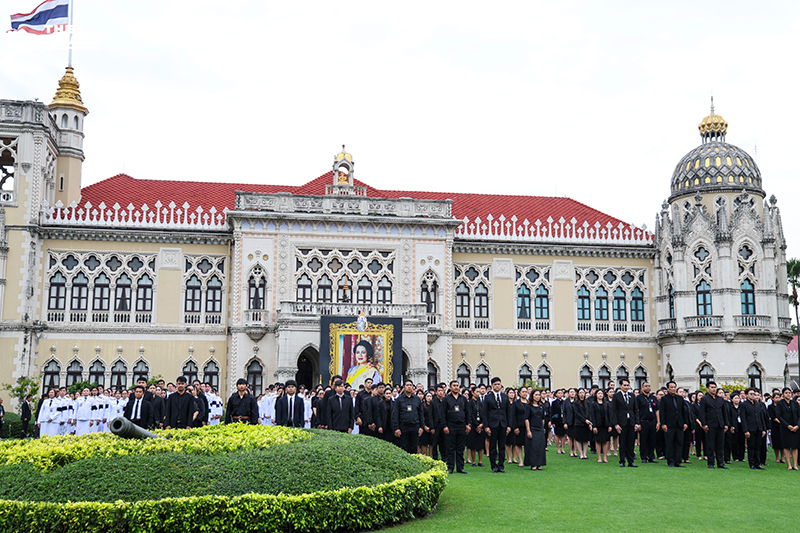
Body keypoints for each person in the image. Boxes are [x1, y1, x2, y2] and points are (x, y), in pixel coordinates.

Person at [482, 377, 514, 473]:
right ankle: (494, 466)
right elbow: (485, 413)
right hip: (492, 424)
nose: (497, 386)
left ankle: (501, 466)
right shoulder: (488, 397)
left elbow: (509, 412)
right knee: (492, 447)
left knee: (502, 446)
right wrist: (486, 426)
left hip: (503, 424)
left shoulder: (505, 397)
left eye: (499, 384)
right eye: (495, 384)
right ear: (492, 386)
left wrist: (509, 426)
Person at [698, 381, 729, 469]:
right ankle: (711, 462)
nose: (713, 389)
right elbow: (702, 413)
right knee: (710, 445)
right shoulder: (704, 399)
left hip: (720, 424)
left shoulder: (720, 399)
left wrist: (726, 424)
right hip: (710, 425)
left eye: (714, 387)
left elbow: (724, 412)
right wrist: (704, 424)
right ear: (707, 389)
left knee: (720, 445)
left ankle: (720, 463)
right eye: (711, 387)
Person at [443, 380, 471, 474]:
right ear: (450, 387)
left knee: (460, 448)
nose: (456, 387)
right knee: (450, 448)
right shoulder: (446, 399)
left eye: (457, 385)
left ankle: (460, 467)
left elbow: (468, 412)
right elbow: (442, 414)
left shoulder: (463, 399)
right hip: (450, 426)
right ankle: (450, 467)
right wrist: (445, 426)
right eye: (454, 385)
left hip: (461, 425)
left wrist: (468, 424)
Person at [611, 378, 639, 467]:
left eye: (628, 385)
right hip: (621, 422)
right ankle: (622, 461)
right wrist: (616, 424)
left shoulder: (632, 396)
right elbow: (614, 411)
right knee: (622, 443)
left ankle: (631, 461)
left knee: (631, 442)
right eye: (624, 385)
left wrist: (636, 423)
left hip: (631, 422)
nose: (626, 387)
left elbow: (635, 410)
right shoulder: (616, 396)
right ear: (620, 386)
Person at [392, 380, 425, 453]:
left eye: (411, 385)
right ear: (404, 387)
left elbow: (421, 414)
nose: (409, 387)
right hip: (403, 427)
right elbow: (395, 415)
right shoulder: (399, 400)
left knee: (414, 448)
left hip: (415, 426)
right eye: (407, 385)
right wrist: (396, 428)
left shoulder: (417, 399)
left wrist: (422, 427)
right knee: (404, 448)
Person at [741, 387, 767, 470]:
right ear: (746, 395)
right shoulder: (744, 405)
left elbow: (761, 417)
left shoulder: (758, 404)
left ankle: (757, 463)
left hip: (759, 428)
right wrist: (745, 430)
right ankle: (751, 463)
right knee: (751, 447)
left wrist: (763, 429)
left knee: (758, 446)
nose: (753, 396)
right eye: (751, 394)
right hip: (750, 428)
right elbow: (743, 418)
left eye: (754, 394)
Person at [776, 387, 800, 470]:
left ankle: (795, 465)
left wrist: (797, 425)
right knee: (786, 446)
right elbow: (779, 416)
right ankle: (789, 465)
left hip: (795, 427)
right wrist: (787, 426)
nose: (788, 394)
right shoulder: (780, 403)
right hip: (785, 428)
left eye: (789, 393)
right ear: (783, 394)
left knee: (795, 446)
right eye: (786, 393)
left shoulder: (795, 403)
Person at [636, 381, 659, 463]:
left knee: (652, 440)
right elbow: (637, 411)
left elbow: (657, 411)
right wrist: (638, 423)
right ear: (642, 388)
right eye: (646, 386)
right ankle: (644, 456)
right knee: (644, 440)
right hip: (643, 421)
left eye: (649, 386)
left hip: (652, 421)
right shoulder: (639, 398)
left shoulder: (653, 398)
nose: (648, 388)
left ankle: (651, 456)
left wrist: (658, 422)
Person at [524, 389, 548, 470]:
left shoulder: (541, 406)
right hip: (532, 428)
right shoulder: (528, 406)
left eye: (539, 395)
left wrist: (542, 427)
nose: (538, 396)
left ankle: (539, 464)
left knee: (540, 447)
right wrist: (528, 431)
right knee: (532, 447)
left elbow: (543, 418)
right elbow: (526, 419)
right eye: (536, 395)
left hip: (540, 429)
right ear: (532, 396)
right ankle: (533, 464)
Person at [590, 388, 612, 463]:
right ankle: (599, 457)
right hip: (597, 425)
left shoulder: (607, 404)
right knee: (598, 441)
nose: (600, 395)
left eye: (601, 393)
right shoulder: (593, 404)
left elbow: (609, 415)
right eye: (598, 393)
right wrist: (594, 426)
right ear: (596, 395)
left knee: (605, 441)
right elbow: (592, 416)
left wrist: (610, 425)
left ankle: (605, 458)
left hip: (605, 424)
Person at [466, 387, 485, 467]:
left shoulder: (481, 402)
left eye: (479, 392)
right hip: (473, 426)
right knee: (473, 444)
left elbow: (484, 414)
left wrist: (481, 424)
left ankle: (480, 461)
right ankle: (473, 461)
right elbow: (470, 415)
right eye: (477, 391)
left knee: (481, 444)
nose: (478, 393)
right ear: (473, 392)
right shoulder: (470, 403)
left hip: (481, 425)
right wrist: (477, 425)